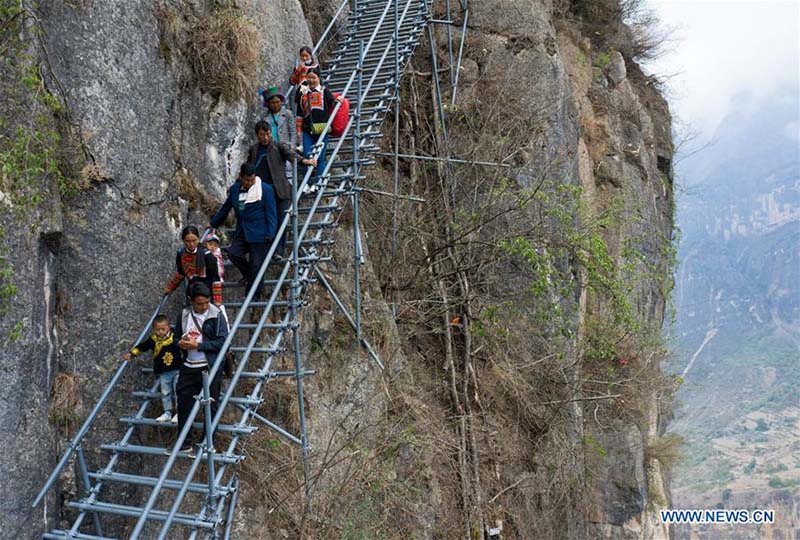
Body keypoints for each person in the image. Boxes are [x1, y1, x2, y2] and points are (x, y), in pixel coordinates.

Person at [247, 121, 316, 258]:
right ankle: (267, 249)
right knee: (268, 221)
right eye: (262, 135)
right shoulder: (254, 149)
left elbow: (291, 155)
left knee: (281, 220)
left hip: (281, 191)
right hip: (263, 192)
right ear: (257, 135)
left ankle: (278, 251)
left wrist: (304, 161)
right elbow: (248, 167)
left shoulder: (278, 146)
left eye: (267, 134)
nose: (266, 138)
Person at [209, 163, 277, 298]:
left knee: (256, 264)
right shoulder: (235, 190)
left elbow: (272, 213)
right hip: (243, 231)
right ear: (241, 177)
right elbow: (226, 207)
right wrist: (213, 224)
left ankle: (252, 297)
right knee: (233, 253)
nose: (250, 183)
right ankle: (249, 275)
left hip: (260, 233)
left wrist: (271, 233)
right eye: (247, 180)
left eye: (252, 179)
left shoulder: (265, 190)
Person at [175, 282, 228, 452]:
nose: (204, 306)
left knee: (210, 405)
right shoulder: (184, 315)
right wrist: (181, 344)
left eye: (206, 302)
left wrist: (197, 345)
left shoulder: (216, 315)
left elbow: (222, 342)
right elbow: (176, 336)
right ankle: (184, 441)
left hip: (209, 367)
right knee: (184, 403)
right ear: (191, 301)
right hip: (189, 366)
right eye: (199, 303)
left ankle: (207, 441)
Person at [123, 314, 182, 423]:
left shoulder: (175, 337)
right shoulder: (153, 340)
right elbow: (142, 346)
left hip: (178, 369)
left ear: (168, 327)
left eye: (163, 329)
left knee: (178, 391)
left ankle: (180, 412)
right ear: (153, 330)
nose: (160, 332)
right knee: (165, 392)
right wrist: (132, 353)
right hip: (164, 371)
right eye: (157, 330)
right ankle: (167, 412)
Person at [297, 67, 342, 188]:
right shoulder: (302, 93)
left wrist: (338, 99)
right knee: (307, 155)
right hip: (307, 129)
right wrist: (298, 130)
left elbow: (332, 101)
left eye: (314, 78)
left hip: (323, 128)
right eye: (309, 77)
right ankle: (306, 184)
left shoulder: (324, 90)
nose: (311, 80)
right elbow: (299, 112)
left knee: (320, 156)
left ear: (319, 78)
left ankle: (318, 182)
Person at [163, 225, 223, 306]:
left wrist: (217, 300)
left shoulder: (207, 255)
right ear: (183, 241)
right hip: (192, 290)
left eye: (194, 240)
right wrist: (170, 287)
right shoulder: (181, 253)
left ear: (198, 239)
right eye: (188, 241)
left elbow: (215, 277)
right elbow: (181, 273)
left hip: (207, 290)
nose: (191, 244)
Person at [289, 45, 319, 113]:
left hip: (314, 92)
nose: (304, 58)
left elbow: (320, 80)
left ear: (310, 55)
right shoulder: (298, 67)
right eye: (302, 56)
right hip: (301, 93)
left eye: (306, 56)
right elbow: (292, 82)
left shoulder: (315, 66)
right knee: (301, 112)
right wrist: (297, 71)